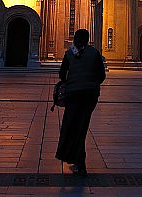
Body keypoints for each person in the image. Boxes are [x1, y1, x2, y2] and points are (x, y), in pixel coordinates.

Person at [56, 29, 105, 176]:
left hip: (73, 96)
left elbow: (62, 74)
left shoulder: (69, 54)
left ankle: (77, 160)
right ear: (88, 39)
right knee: (81, 127)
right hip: (90, 96)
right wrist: (92, 84)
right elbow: (101, 75)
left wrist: (71, 82)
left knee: (71, 126)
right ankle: (79, 161)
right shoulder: (94, 53)